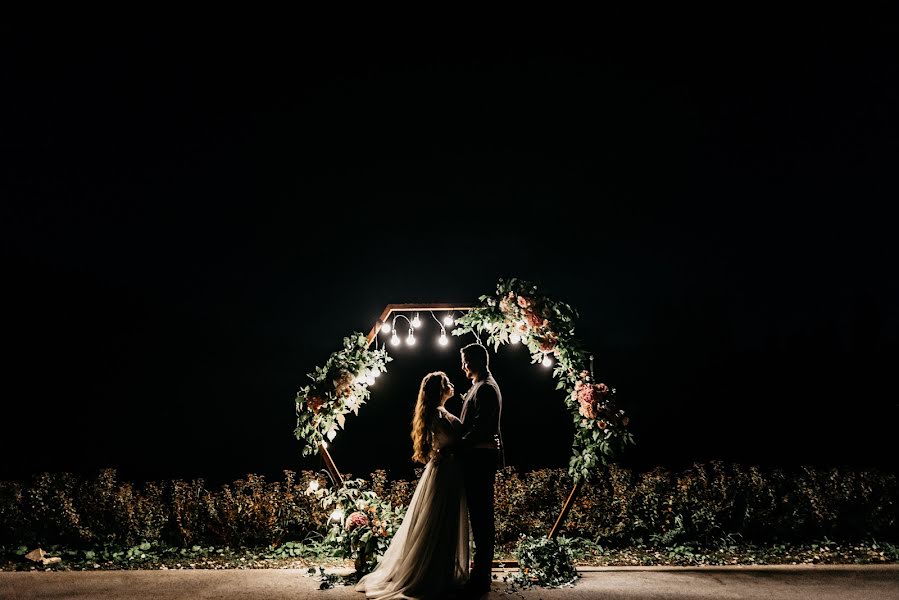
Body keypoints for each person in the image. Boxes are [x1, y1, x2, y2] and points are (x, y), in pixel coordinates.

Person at [356, 371, 470, 599]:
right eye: (447, 383)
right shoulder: (439, 415)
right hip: (445, 473)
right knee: (440, 521)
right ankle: (434, 572)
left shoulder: (439, 413)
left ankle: (441, 569)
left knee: (441, 521)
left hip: (446, 471)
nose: (452, 384)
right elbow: (458, 440)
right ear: (439, 390)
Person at [458, 343, 502, 598]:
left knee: (482, 516)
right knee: (479, 514)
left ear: (474, 361)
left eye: (464, 360)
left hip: (480, 458)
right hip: (478, 456)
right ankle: (479, 571)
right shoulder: (480, 385)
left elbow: (481, 428)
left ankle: (481, 575)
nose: (462, 366)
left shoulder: (486, 388)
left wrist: (458, 446)